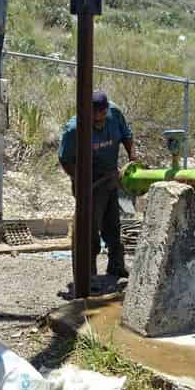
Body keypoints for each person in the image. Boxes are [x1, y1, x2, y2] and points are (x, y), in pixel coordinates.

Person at [58, 91, 137, 278]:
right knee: (89, 230)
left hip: (111, 178)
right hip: (89, 183)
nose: (99, 119)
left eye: (102, 115)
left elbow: (126, 135)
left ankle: (116, 267)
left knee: (113, 225)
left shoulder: (115, 113)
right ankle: (87, 274)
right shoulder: (74, 129)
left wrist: (133, 159)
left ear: (107, 110)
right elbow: (65, 159)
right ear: (87, 111)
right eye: (95, 117)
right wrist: (83, 181)